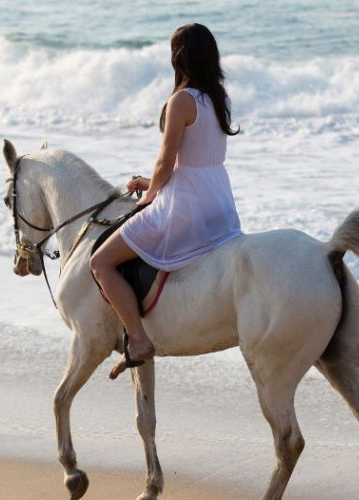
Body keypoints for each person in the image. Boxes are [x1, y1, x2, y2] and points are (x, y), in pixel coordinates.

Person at [90, 23, 243, 380]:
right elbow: (194, 160)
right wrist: (150, 181)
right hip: (217, 202)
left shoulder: (181, 101)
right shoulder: (218, 98)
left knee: (100, 262)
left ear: (179, 57)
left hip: (185, 206)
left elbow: (166, 161)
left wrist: (151, 194)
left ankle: (139, 339)